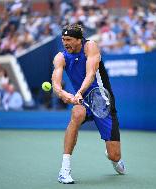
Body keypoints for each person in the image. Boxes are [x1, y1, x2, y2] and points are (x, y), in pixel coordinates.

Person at [52, 24, 126, 184]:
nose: (65, 43)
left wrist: (79, 92)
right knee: (76, 114)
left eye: (69, 40)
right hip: (83, 101)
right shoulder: (60, 57)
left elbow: (91, 74)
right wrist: (65, 94)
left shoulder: (90, 47)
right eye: (63, 40)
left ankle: (112, 157)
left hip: (102, 101)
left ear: (79, 40)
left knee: (115, 155)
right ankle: (64, 170)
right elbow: (56, 84)